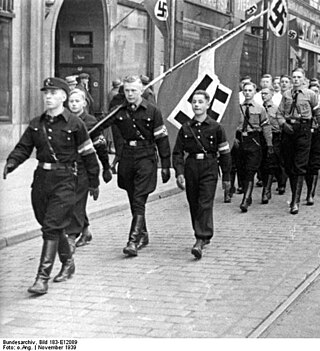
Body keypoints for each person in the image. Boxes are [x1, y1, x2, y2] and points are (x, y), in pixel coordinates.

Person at [3, 77, 100, 294]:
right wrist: (11, 162)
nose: (48, 96)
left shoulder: (75, 124)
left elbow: (88, 154)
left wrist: (94, 182)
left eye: (54, 93)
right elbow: (24, 147)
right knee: (47, 223)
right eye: (46, 93)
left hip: (66, 180)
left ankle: (42, 278)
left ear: (64, 97)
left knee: (51, 225)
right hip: (41, 181)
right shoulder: (37, 123)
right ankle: (68, 263)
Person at [91, 75, 171, 257]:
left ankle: (133, 240)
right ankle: (143, 234)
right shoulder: (118, 111)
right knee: (133, 196)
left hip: (146, 157)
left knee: (139, 197)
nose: (130, 94)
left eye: (134, 90)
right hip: (127, 157)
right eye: (127, 90)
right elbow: (99, 127)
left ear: (141, 91)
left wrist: (166, 164)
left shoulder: (153, 111)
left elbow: (162, 138)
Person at [173, 90, 231, 259]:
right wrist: (179, 172)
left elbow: (225, 152)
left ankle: (201, 238)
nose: (197, 105)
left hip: (209, 166)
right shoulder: (186, 127)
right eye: (194, 102)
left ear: (208, 105)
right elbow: (177, 152)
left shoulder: (216, 127)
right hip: (191, 166)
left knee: (205, 202)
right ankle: (200, 234)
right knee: (194, 202)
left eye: (200, 102)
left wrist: (226, 176)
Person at [65, 89, 112, 250]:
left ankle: (71, 236)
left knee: (76, 201)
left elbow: (101, 146)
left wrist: (106, 168)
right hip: (67, 168)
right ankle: (85, 231)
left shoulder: (91, 122)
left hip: (84, 168)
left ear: (84, 103)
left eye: (77, 101)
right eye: (71, 101)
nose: (74, 104)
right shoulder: (64, 120)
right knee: (70, 201)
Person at [276, 68, 320, 214]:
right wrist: (283, 124)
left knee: (300, 165)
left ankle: (295, 201)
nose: (296, 80)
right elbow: (279, 113)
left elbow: (319, 114)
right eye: (294, 77)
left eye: (299, 77)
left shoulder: (310, 95)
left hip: (304, 130)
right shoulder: (286, 94)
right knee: (289, 164)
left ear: (304, 79)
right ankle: (294, 196)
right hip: (289, 130)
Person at [237, 81, 273, 212]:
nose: (247, 93)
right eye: (245, 91)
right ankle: (247, 196)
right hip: (241, 140)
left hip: (254, 140)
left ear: (254, 92)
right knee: (243, 169)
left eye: (250, 91)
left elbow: (266, 127)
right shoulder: (237, 108)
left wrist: (269, 144)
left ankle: (246, 199)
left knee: (251, 169)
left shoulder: (260, 109)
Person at [259, 86, 285, 204]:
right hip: (262, 138)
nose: (263, 96)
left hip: (275, 137)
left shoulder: (276, 109)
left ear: (272, 94)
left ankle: (278, 184)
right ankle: (268, 188)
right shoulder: (259, 108)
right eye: (262, 93)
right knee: (265, 163)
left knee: (275, 162)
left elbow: (280, 124)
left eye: (266, 93)